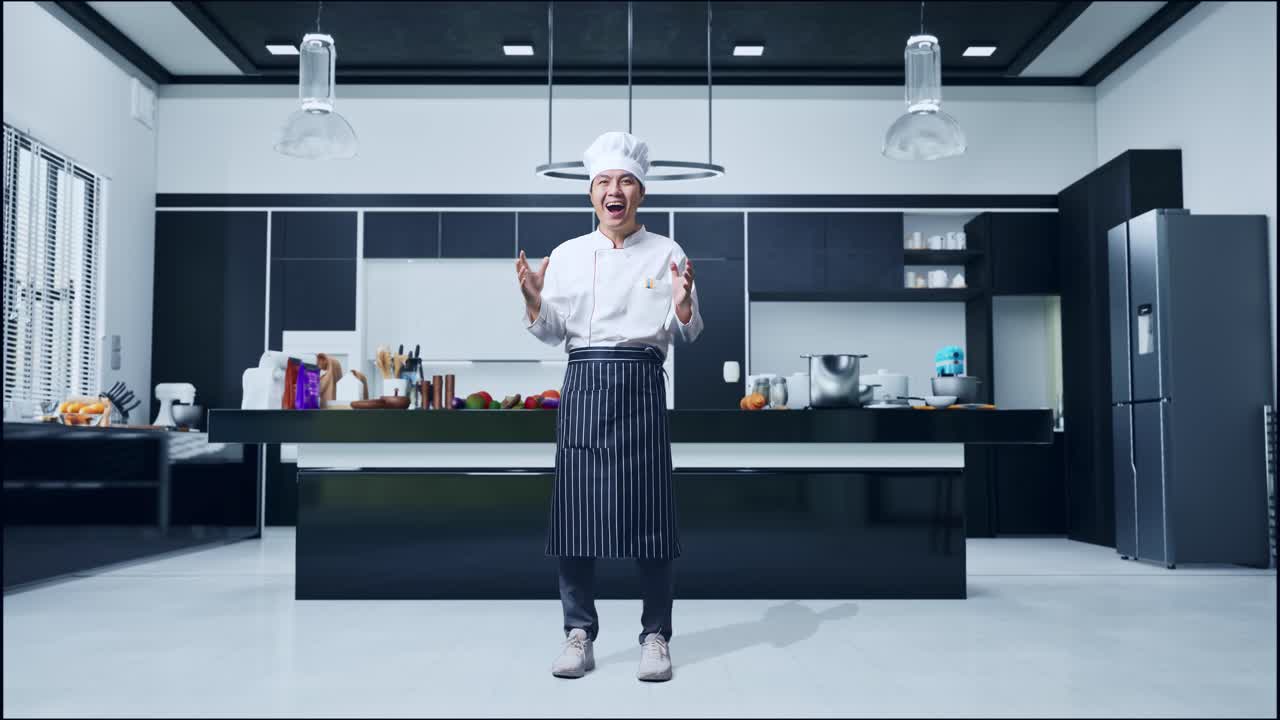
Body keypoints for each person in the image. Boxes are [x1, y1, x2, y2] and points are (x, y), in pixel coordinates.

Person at [515, 131, 703, 682]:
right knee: (576, 517)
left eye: (624, 181)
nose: (613, 190)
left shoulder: (669, 252)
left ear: (640, 193)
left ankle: (655, 637)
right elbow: (551, 333)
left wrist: (685, 306)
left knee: (651, 518)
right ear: (590, 194)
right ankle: (578, 634)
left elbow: (686, 332)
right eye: (603, 182)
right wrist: (532, 299)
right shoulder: (569, 256)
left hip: (642, 385)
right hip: (583, 386)